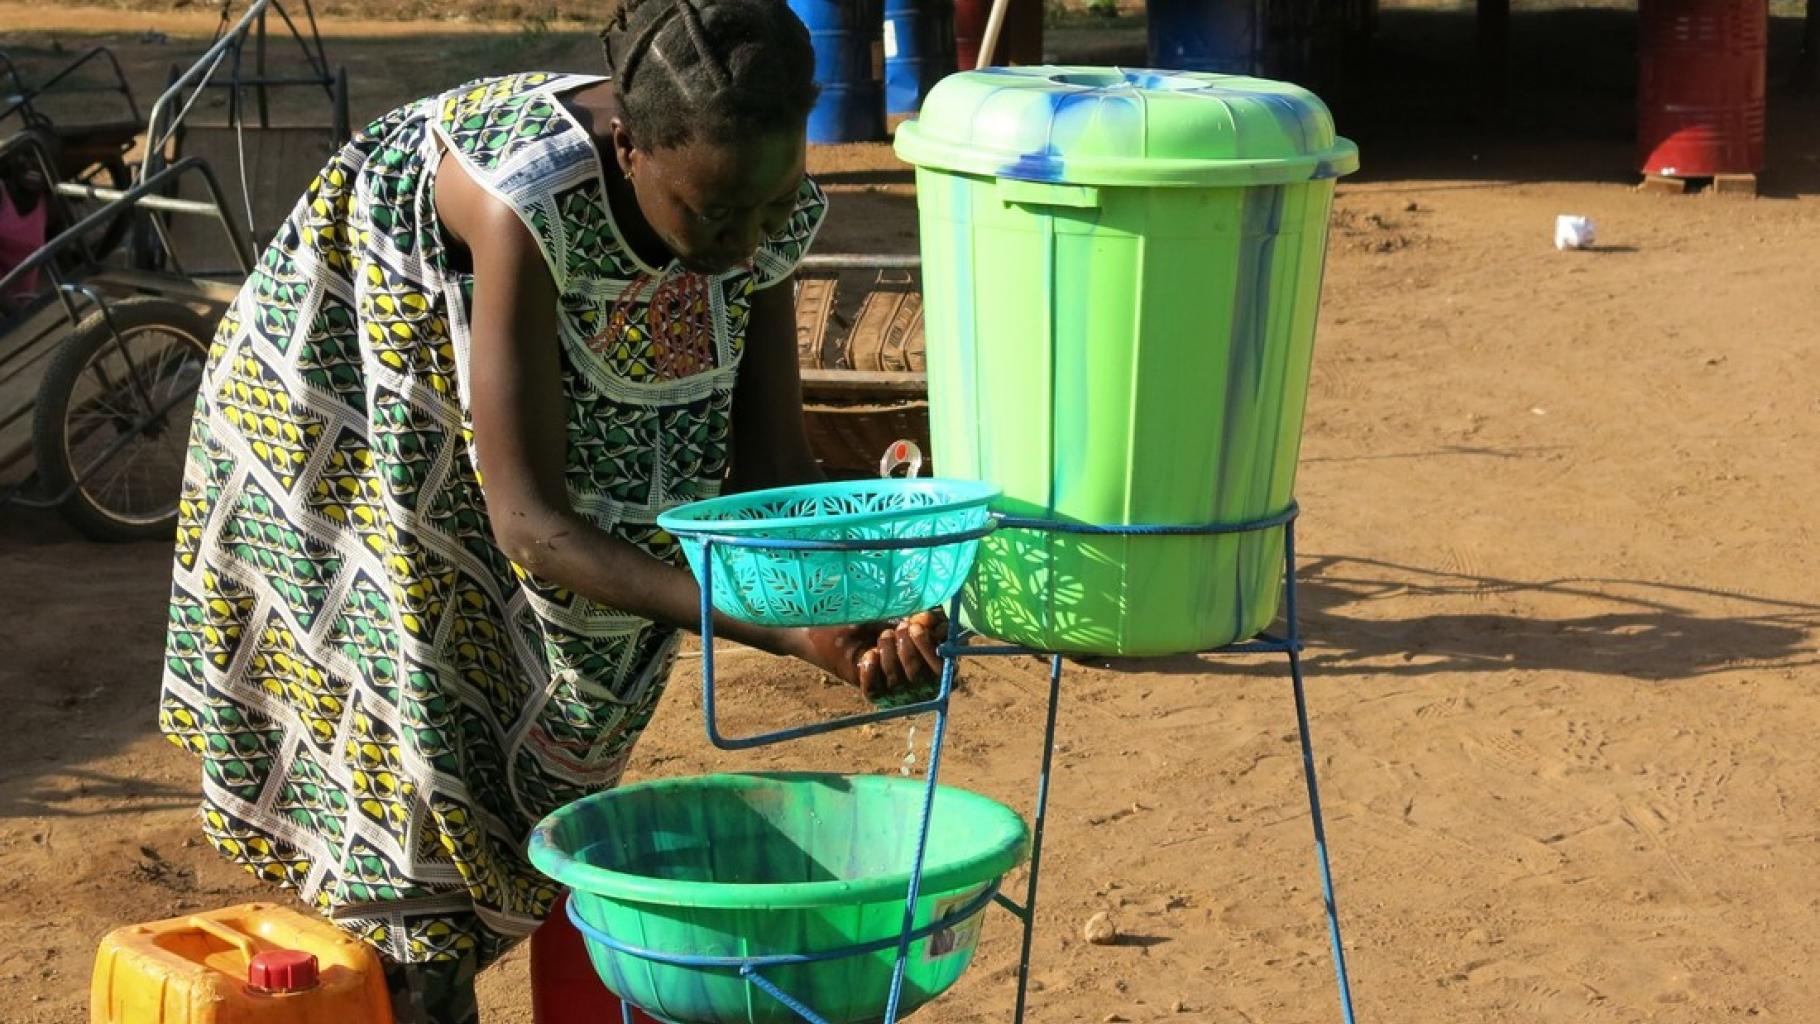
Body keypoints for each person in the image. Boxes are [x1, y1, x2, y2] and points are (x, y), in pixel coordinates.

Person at [157, 0, 945, 1019]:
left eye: (766, 207)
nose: (745, 242)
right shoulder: (527, 201)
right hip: (358, 382)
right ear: (627, 147)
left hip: (528, 398)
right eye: (712, 217)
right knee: (416, 726)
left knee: (536, 740)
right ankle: (415, 970)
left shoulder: (747, 196)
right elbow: (530, 523)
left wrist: (868, 600)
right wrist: (789, 629)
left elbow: (768, 470)